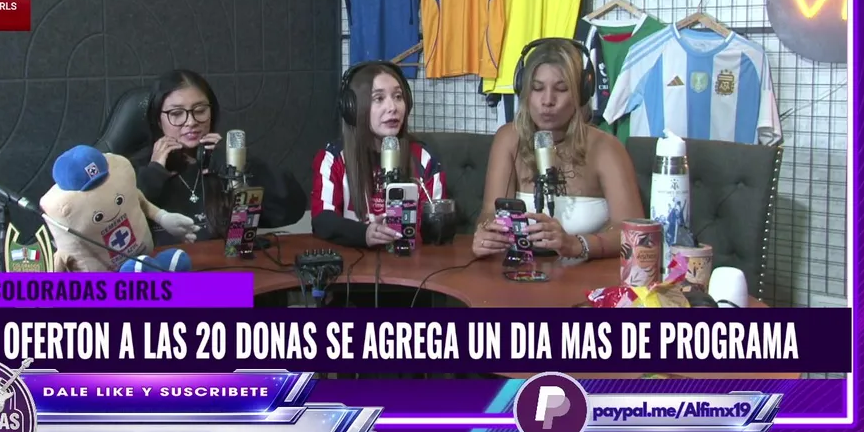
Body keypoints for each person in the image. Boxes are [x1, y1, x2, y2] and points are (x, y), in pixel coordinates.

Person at [473, 38, 644, 261]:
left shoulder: (606, 148)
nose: (548, 100)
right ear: (524, 91)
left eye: (561, 89)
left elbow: (635, 233)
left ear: (581, 93)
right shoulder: (509, 139)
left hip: (588, 276)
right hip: (522, 274)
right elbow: (489, 213)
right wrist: (486, 233)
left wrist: (576, 244)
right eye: (537, 88)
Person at [132, 70, 307, 246]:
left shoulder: (226, 164)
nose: (191, 121)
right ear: (158, 119)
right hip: (164, 264)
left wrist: (240, 165)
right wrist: (152, 175)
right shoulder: (133, 170)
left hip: (224, 262)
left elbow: (290, 210)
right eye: (176, 113)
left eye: (200, 110)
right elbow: (123, 234)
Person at [311, 61, 447, 248]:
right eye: (379, 98)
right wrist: (364, 234)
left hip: (409, 261)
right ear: (353, 107)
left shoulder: (424, 159)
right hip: (354, 261)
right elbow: (322, 219)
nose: (392, 107)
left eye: (398, 96)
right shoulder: (333, 159)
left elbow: (436, 228)